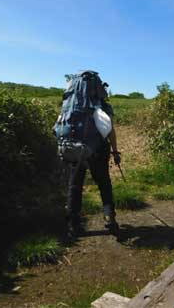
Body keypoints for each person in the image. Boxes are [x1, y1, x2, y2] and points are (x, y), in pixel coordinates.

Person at [66, 84, 121, 238]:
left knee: (75, 185)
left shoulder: (72, 104)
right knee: (104, 183)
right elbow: (110, 130)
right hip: (98, 150)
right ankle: (109, 218)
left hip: (76, 150)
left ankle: (73, 225)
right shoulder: (104, 106)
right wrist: (115, 152)